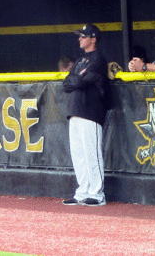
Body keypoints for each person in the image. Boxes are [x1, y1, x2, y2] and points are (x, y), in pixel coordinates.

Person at [62, 24, 109, 206]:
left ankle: (97, 194)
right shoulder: (81, 61)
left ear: (93, 39)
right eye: (80, 36)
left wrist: (76, 79)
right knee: (78, 155)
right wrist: (76, 79)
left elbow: (80, 83)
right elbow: (67, 83)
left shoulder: (98, 60)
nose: (79, 39)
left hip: (90, 112)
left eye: (83, 36)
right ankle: (82, 192)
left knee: (92, 154)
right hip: (75, 111)